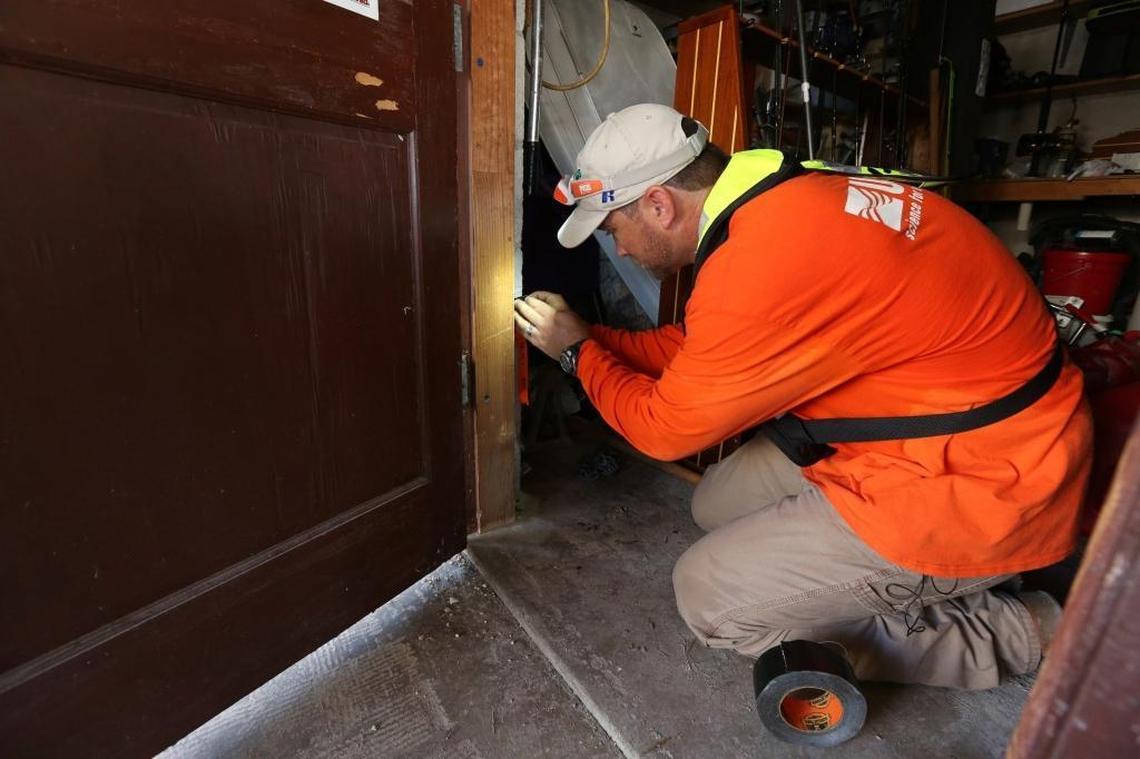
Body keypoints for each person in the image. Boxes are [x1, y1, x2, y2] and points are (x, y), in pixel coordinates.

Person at [513, 103, 1091, 690]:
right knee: (714, 503)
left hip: (990, 483)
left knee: (711, 599)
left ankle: (1019, 628)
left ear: (658, 206)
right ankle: (896, 577)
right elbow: (697, 349)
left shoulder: (762, 263)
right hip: (931, 426)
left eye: (614, 231)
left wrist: (575, 356)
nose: (623, 252)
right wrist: (591, 337)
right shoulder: (788, 197)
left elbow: (665, 430)